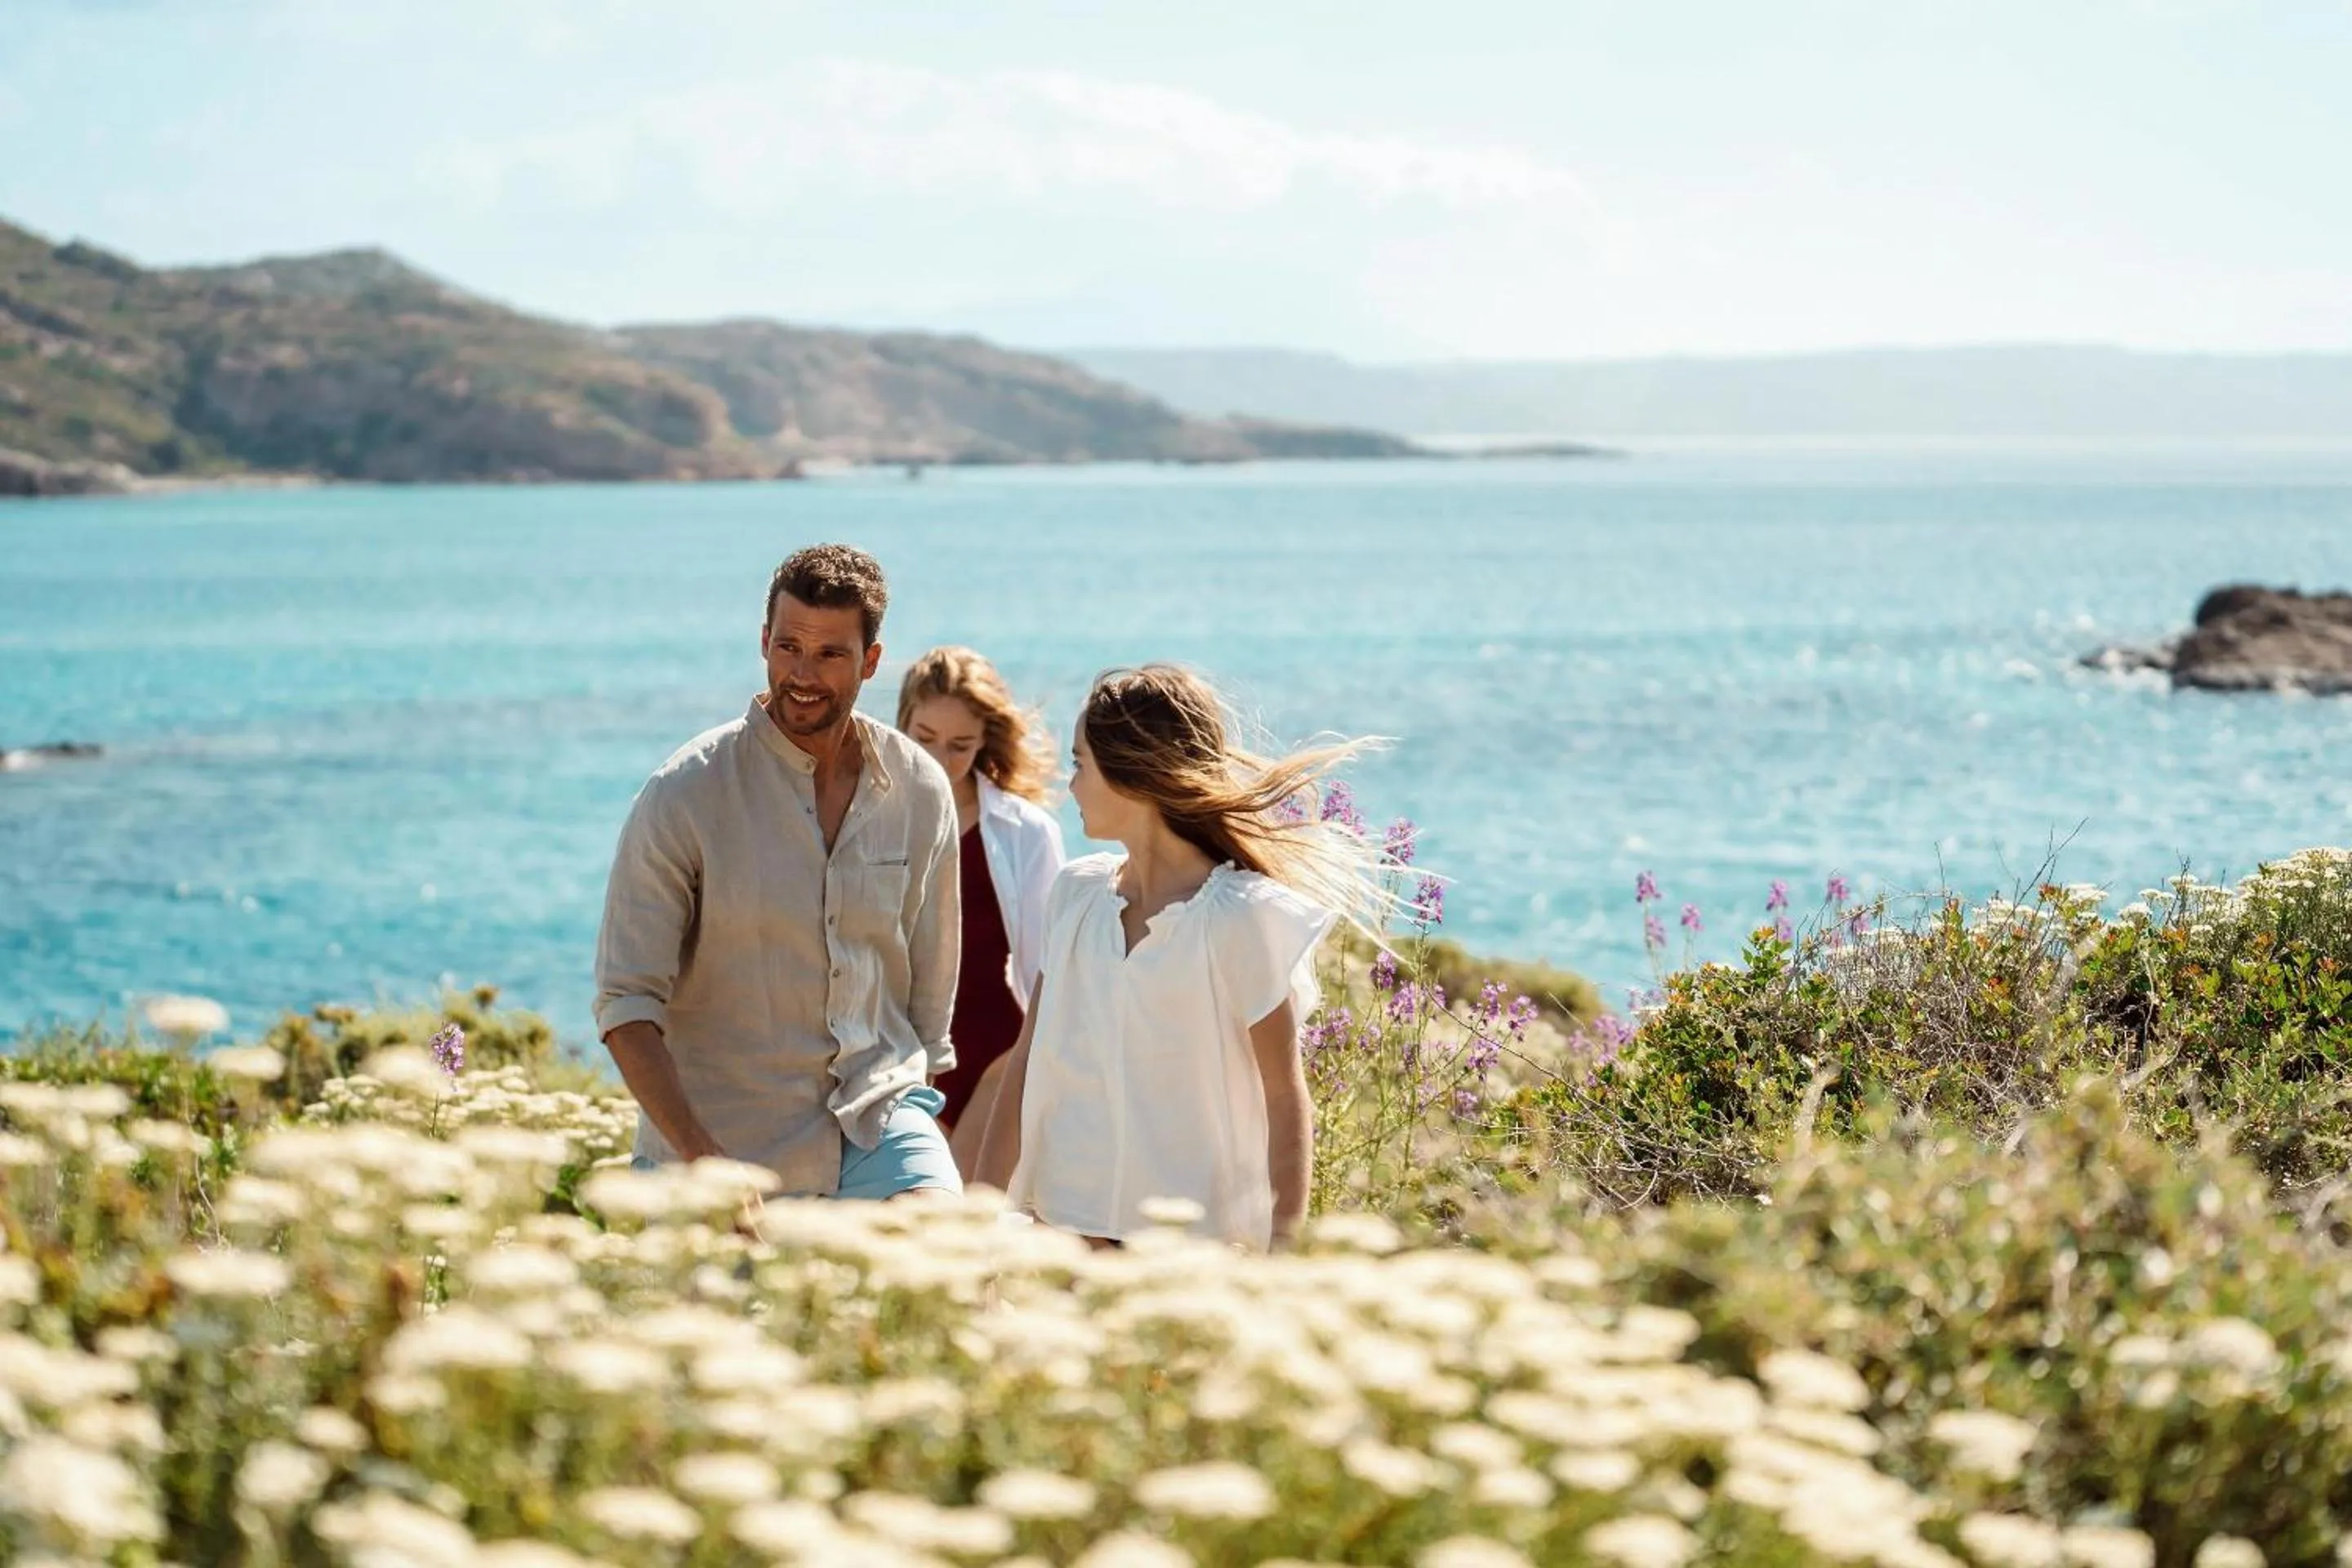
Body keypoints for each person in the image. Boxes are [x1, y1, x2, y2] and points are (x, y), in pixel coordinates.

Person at [594, 543, 964, 1205]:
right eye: (789, 646)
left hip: (876, 1114)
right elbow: (626, 1004)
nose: (803, 673)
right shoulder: (684, 794)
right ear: (764, 641)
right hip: (721, 1136)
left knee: (959, 1265)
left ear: (871, 661)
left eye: (829, 654)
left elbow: (928, 1007)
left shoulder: (918, 789)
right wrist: (702, 1160)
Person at [973, 664, 1384, 1251]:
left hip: (1193, 1253)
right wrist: (981, 1225)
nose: (1071, 785)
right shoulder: (1076, 895)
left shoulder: (1240, 917)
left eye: (1079, 763)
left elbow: (1283, 1099)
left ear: (1131, 776)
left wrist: (1282, 1256)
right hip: (1062, 1234)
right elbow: (1025, 1067)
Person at [896, 647, 1067, 1178]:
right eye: (923, 739)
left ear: (984, 741)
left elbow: (1052, 968)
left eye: (959, 746)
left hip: (1001, 1056)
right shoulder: (867, 820)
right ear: (901, 724)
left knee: (967, 1220)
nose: (938, 761)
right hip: (906, 1063)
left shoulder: (1027, 832)